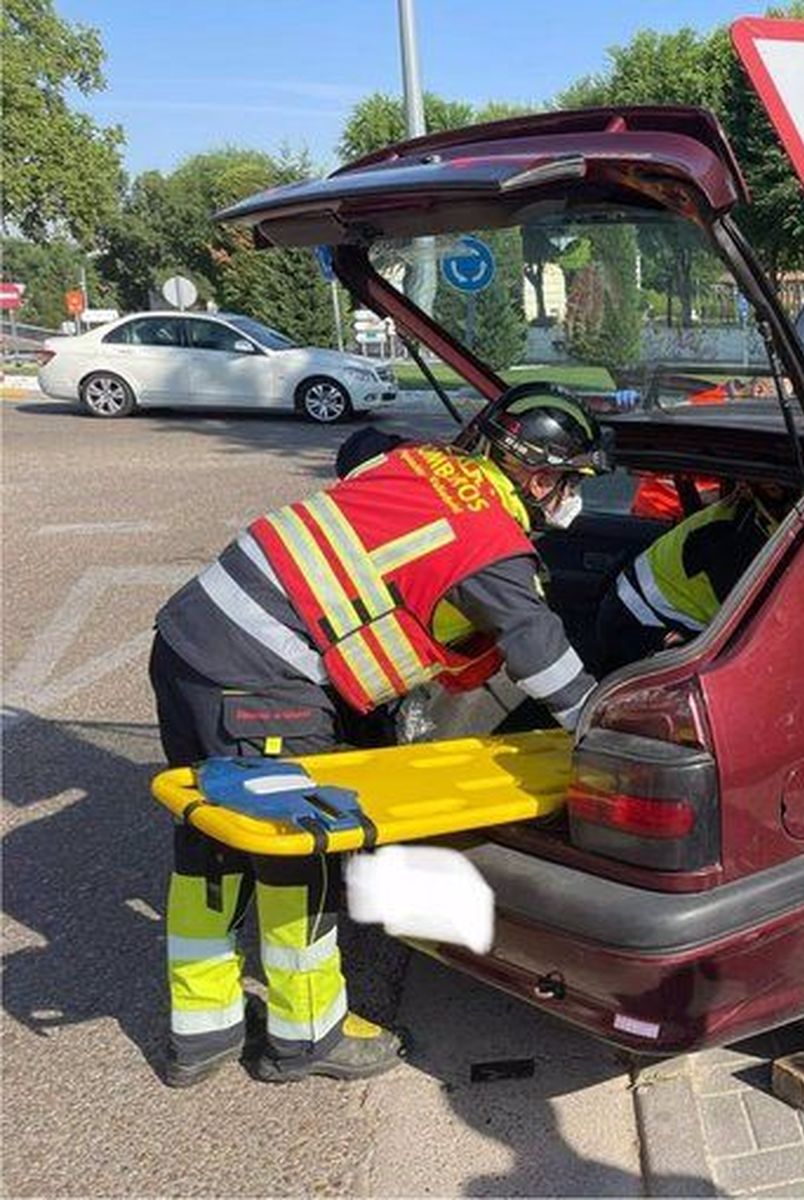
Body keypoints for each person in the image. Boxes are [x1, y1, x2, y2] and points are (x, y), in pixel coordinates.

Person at [149, 385, 610, 1087]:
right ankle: (306, 1038)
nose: (569, 499)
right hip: (262, 679)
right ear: (541, 477)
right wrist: (601, 726)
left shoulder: (422, 462)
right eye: (571, 482)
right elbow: (539, 649)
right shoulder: (489, 537)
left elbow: (357, 454)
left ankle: (201, 1031)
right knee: (298, 857)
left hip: (191, 640)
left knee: (212, 835)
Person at [592, 482, 792, 675]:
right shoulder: (737, 540)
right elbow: (757, 627)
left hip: (643, 609)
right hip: (641, 622)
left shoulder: (755, 517)